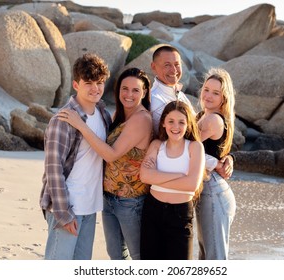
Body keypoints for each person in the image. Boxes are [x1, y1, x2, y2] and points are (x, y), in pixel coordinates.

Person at [57, 68, 153, 260]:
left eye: (136, 90)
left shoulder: (142, 119)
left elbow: (111, 155)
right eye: (124, 89)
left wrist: (81, 125)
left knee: (139, 257)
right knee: (116, 255)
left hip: (130, 202)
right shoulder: (119, 115)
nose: (129, 94)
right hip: (109, 199)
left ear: (144, 93)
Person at [40, 53, 111, 260]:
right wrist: (63, 213)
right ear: (76, 84)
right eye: (88, 82)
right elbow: (54, 169)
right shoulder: (63, 119)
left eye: (99, 82)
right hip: (67, 206)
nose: (95, 88)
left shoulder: (103, 114)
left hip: (90, 205)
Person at [149, 45, 233, 179]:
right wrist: (216, 164)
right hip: (171, 176)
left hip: (194, 178)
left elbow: (197, 137)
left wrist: (228, 157)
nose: (174, 70)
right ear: (153, 67)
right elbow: (175, 146)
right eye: (167, 65)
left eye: (177, 64)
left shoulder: (181, 97)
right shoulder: (156, 101)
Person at [139, 101, 205, 260]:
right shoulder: (156, 145)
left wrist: (157, 177)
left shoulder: (195, 147)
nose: (176, 126)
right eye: (171, 121)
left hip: (181, 215)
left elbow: (192, 184)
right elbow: (145, 176)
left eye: (181, 122)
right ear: (163, 123)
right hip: (152, 211)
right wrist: (179, 176)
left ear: (188, 124)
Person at [195, 68, 237, 260]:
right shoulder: (200, 116)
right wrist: (224, 160)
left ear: (224, 98)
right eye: (206, 89)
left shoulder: (212, 119)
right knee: (207, 256)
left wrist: (220, 162)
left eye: (216, 92)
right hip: (208, 191)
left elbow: (186, 150)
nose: (208, 95)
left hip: (213, 193)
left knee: (215, 260)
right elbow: (218, 152)